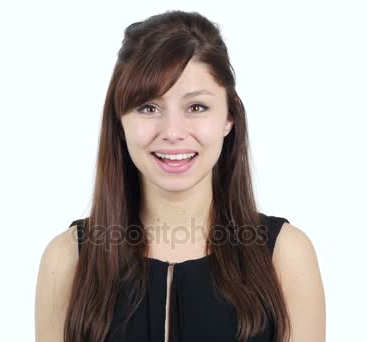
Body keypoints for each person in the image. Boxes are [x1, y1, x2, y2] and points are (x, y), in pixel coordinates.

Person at [35, 10, 325, 342]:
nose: (172, 132)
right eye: (148, 107)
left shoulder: (285, 256)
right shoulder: (68, 260)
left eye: (196, 107)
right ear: (120, 121)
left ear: (228, 118)